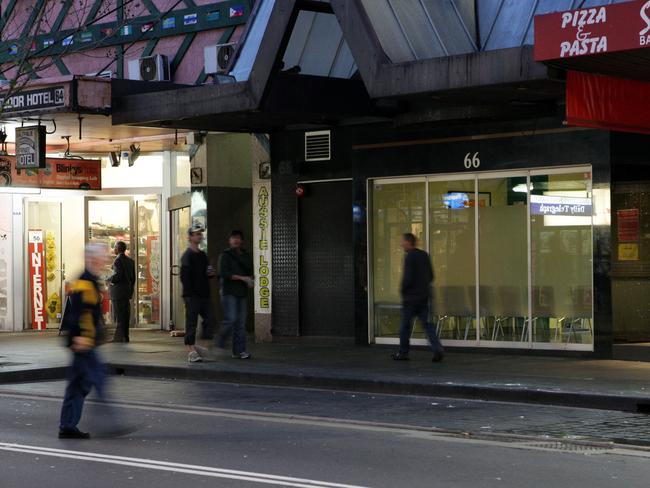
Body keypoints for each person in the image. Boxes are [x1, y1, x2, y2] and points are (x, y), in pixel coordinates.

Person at [58, 244, 110, 438]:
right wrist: (79, 337)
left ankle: (68, 425)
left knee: (81, 383)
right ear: (93, 258)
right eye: (103, 256)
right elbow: (77, 312)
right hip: (83, 342)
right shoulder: (85, 281)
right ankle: (111, 422)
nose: (106, 260)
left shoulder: (92, 280)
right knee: (94, 380)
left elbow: (90, 313)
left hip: (86, 341)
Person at [391, 233, 445, 362]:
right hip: (424, 297)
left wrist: (403, 290)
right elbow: (431, 276)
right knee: (427, 325)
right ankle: (437, 348)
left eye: (403, 242)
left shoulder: (409, 257)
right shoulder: (424, 255)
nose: (401, 244)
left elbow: (407, 278)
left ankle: (403, 353)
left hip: (410, 299)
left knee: (405, 326)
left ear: (409, 242)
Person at [180, 223, 216, 363]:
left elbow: (208, 272)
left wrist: (211, 273)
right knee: (191, 323)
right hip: (192, 295)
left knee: (210, 319)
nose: (199, 236)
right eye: (196, 234)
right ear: (190, 237)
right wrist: (188, 296)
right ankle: (191, 351)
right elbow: (184, 278)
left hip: (204, 294)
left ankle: (201, 346)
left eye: (200, 233)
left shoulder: (203, 255)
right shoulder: (187, 256)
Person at [216, 230, 254, 359]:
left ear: (242, 240)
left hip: (242, 292)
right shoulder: (225, 255)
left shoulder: (246, 255)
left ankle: (239, 351)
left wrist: (250, 279)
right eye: (233, 238)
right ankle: (219, 342)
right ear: (229, 240)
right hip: (228, 292)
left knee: (241, 323)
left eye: (238, 238)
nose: (236, 240)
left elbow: (250, 272)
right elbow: (223, 273)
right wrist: (242, 278)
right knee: (231, 319)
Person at [107, 240, 135, 343]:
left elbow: (118, 276)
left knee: (119, 315)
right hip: (126, 292)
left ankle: (119, 337)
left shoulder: (118, 260)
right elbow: (133, 278)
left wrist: (109, 278)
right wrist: (130, 289)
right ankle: (125, 336)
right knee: (125, 315)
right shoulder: (130, 261)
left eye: (114, 247)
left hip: (118, 293)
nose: (113, 249)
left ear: (118, 249)